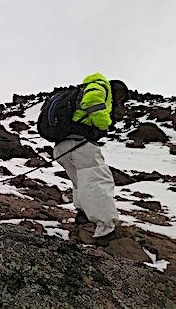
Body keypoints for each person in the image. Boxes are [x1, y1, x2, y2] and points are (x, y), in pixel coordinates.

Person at [53, 73, 129, 238]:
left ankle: (83, 215)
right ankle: (106, 228)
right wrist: (104, 124)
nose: (119, 102)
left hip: (62, 147)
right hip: (79, 145)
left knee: (81, 182)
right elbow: (92, 102)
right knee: (96, 180)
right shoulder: (100, 85)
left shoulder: (79, 92)